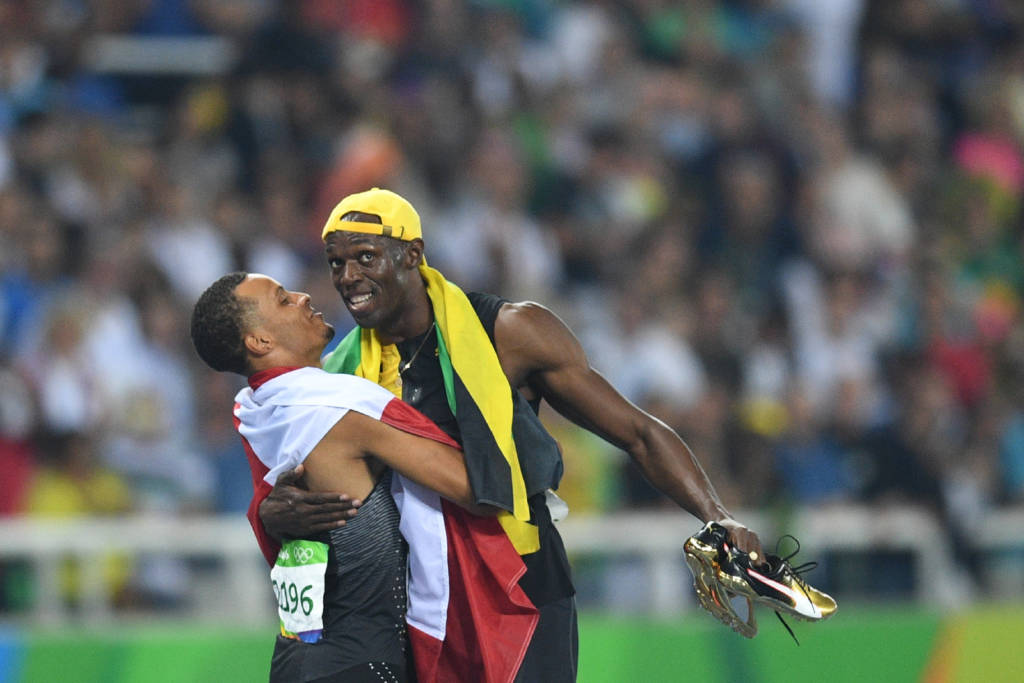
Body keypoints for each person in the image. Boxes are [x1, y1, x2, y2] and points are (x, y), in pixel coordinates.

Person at [257, 188, 765, 681]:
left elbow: (637, 433)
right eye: (336, 264)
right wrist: (275, 512)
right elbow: (313, 494)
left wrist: (716, 515)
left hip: (523, 583)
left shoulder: (510, 332)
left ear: (413, 254)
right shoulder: (339, 376)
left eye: (365, 258)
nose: (348, 278)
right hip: (422, 600)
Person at [190, 272, 538, 683]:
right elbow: (480, 489)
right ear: (260, 342)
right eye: (283, 300)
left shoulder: (257, 411)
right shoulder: (343, 410)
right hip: (361, 663)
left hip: (296, 657)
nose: (303, 297)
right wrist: (506, 398)